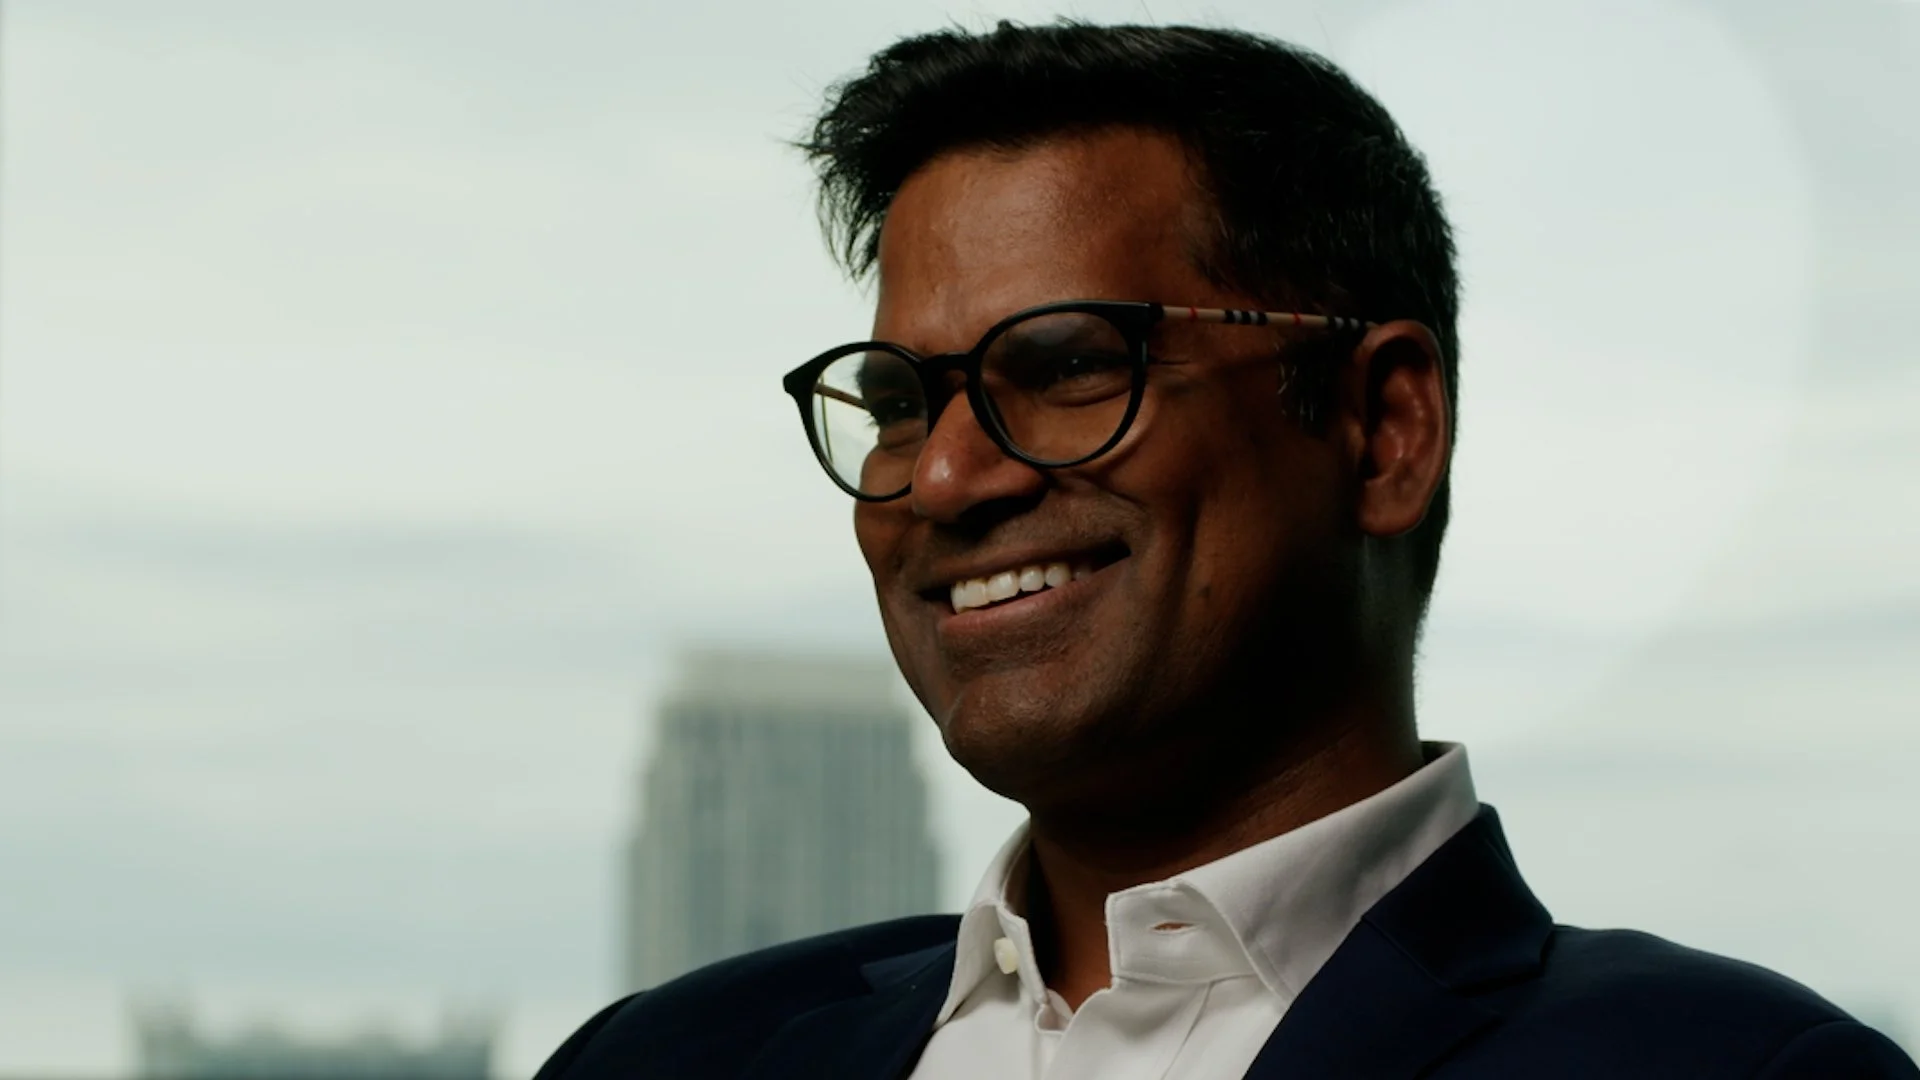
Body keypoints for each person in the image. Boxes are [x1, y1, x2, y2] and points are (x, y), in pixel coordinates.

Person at [537, 21, 1918, 1080]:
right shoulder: (667, 1057)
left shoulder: (1733, 1074)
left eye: (1069, 366)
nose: (943, 476)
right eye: (900, 401)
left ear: (1384, 429)